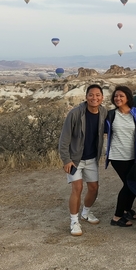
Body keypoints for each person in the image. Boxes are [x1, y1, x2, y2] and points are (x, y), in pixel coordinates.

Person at [58, 84, 108, 236]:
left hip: (92, 158)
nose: (94, 98)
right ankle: (74, 221)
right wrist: (66, 160)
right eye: (91, 95)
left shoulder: (104, 112)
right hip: (75, 160)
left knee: (94, 188)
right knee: (77, 188)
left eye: (97, 95)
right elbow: (64, 139)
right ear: (86, 97)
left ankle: (85, 213)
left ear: (102, 97)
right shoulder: (75, 113)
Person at [104, 86, 136, 227]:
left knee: (133, 183)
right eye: (116, 96)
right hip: (117, 156)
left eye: (121, 96)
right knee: (129, 184)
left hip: (133, 155)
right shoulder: (111, 115)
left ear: (128, 97)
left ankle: (127, 209)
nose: (118, 98)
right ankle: (117, 217)